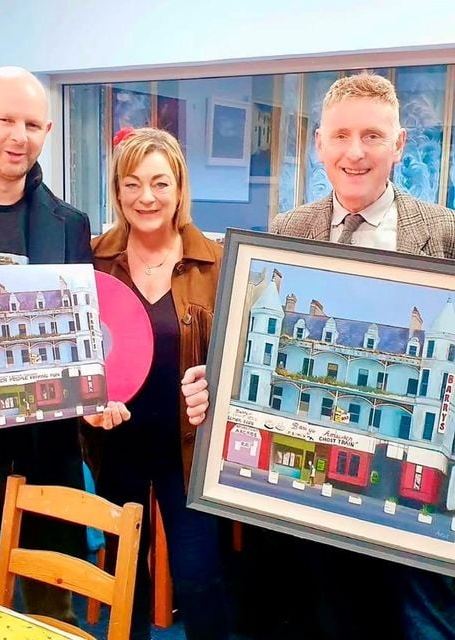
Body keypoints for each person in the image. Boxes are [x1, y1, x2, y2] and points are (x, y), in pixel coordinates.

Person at [182, 73, 455, 639]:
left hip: (409, 521)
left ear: (400, 143)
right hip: (308, 505)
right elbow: (267, 342)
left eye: (373, 136)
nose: (355, 153)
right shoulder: (289, 229)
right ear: (318, 144)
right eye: (341, 135)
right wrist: (223, 380)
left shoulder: (446, 235)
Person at [0, 66, 122, 625]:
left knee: (51, 610)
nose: (18, 136)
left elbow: (83, 333)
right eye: (5, 119)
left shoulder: (70, 224)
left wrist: (97, 387)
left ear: (48, 129)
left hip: (43, 447)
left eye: (32, 123)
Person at [82, 126, 230, 640]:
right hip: (114, 441)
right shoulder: (90, 260)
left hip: (186, 450)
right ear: (118, 191)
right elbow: (73, 350)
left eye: (160, 183)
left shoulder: (215, 262)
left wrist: (217, 382)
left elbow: (235, 354)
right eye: (132, 183)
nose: (146, 197)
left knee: (199, 578)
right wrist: (86, 400)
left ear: (180, 188)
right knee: (122, 577)